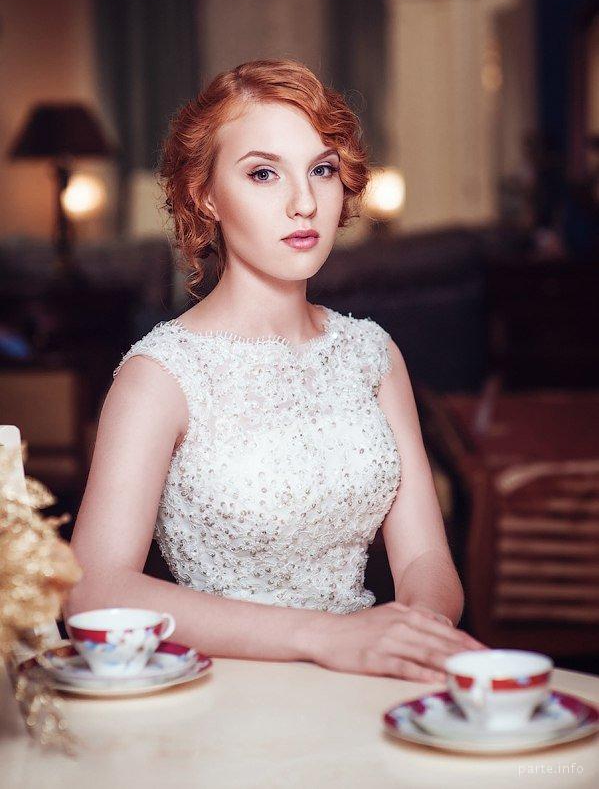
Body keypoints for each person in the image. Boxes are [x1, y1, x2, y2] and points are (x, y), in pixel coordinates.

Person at [63, 59, 484, 682]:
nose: (303, 203)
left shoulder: (372, 354)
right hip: (229, 692)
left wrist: (412, 637)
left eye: (322, 170)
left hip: (367, 681)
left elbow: (425, 555)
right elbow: (91, 591)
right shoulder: (160, 375)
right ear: (204, 195)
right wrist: (326, 637)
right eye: (264, 173)